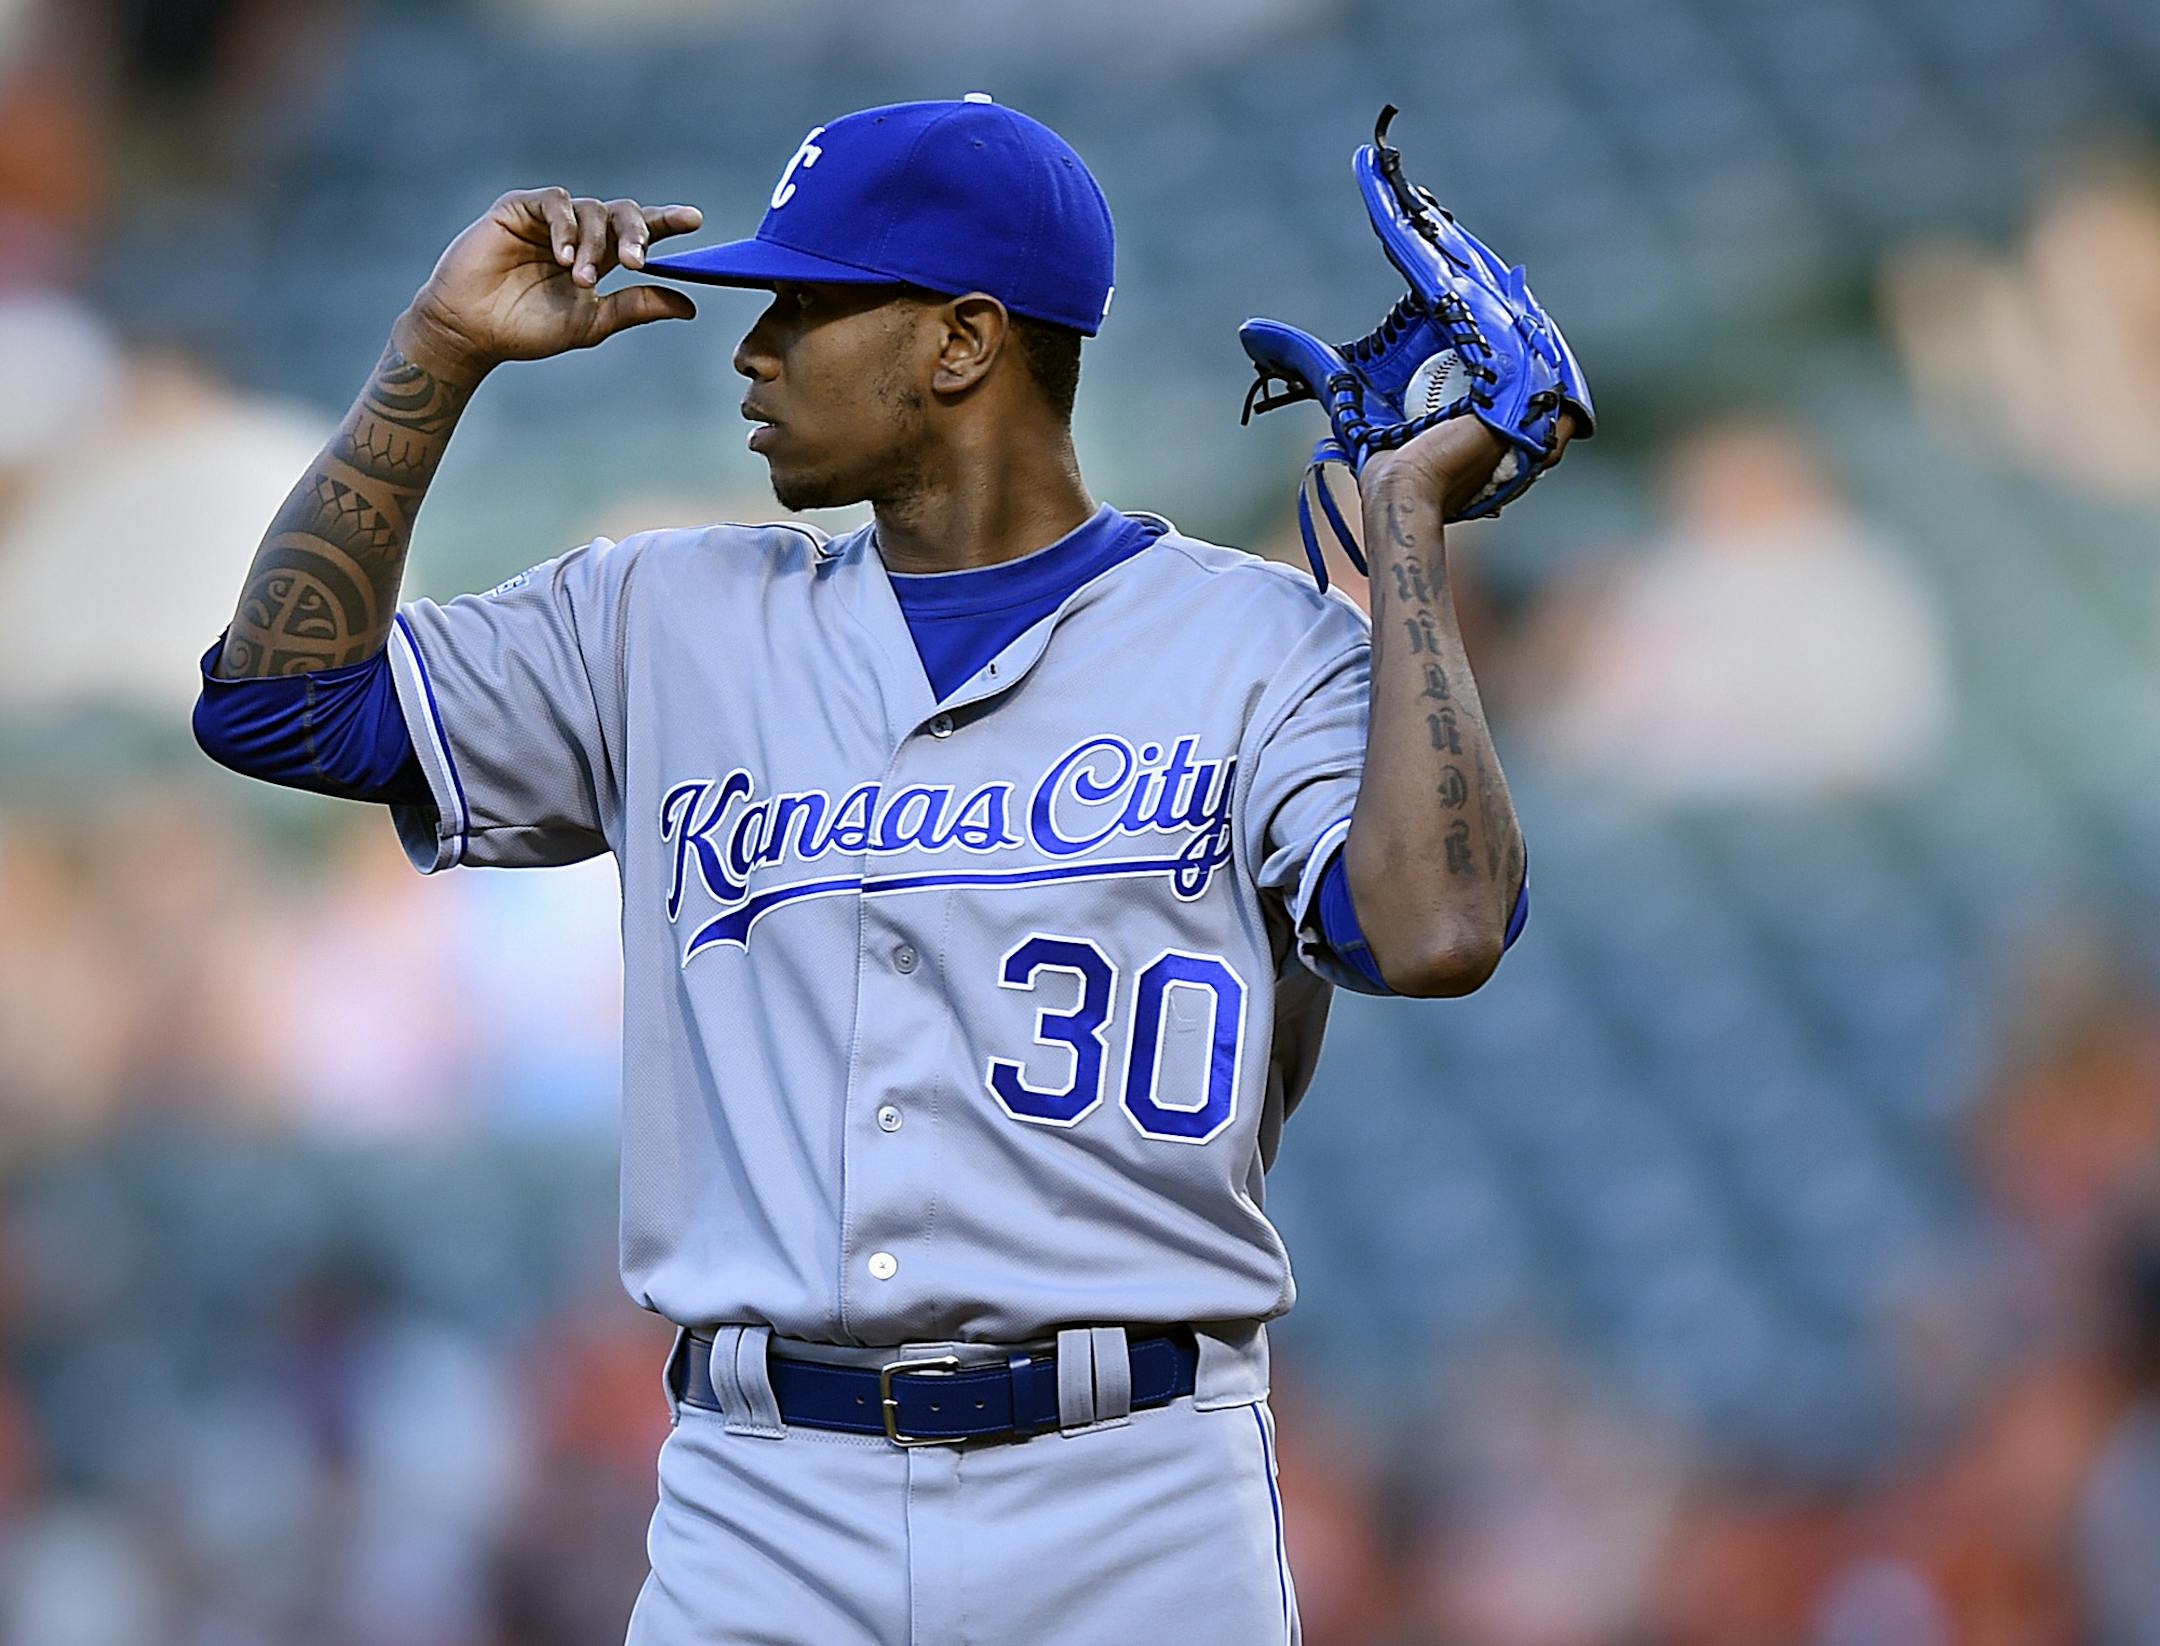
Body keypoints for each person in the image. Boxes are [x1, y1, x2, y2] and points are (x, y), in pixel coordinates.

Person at [193, 96, 1567, 1645]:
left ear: (964, 342)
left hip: (1135, 1499)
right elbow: (278, 707)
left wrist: (1403, 540)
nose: (751, 349)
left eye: (807, 302)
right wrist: (435, 353)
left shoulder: (1257, 647)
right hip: (764, 1500)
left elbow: (1440, 927)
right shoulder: (663, 619)